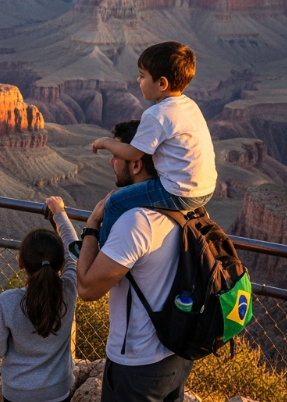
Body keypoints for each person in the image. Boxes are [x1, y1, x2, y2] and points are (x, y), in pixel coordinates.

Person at [77, 120, 193, 402]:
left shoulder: (137, 221)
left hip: (139, 365)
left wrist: (92, 226)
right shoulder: (185, 207)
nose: (111, 162)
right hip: (176, 356)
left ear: (137, 164)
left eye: (117, 156)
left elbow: (87, 289)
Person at [91, 41, 217, 247]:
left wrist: (105, 142)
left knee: (114, 203)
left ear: (162, 84)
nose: (138, 80)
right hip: (205, 190)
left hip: (178, 192)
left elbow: (132, 154)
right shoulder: (189, 105)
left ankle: (103, 250)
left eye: (142, 75)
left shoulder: (156, 114)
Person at [0, 196, 78, 402]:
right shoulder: (69, 291)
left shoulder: (7, 301)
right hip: (58, 391)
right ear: (62, 263)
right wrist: (59, 214)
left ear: (21, 263)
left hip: (17, 392)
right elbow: (74, 250)